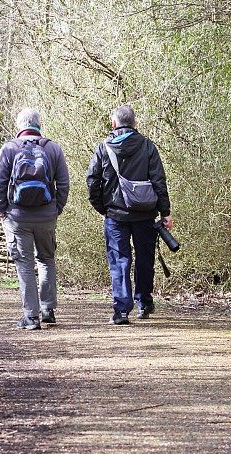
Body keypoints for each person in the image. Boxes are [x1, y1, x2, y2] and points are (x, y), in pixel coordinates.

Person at [86, 105, 173, 325]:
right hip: (145, 214)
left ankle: (122, 310)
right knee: (145, 259)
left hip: (115, 215)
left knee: (119, 260)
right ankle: (144, 303)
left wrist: (102, 207)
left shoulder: (103, 148)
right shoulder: (147, 146)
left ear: (114, 124)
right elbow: (159, 181)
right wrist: (165, 212)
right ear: (134, 124)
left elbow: (92, 182)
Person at [0, 108, 70, 330]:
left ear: (20, 126)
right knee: (46, 260)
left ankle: (31, 316)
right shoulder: (53, 148)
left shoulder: (9, 148)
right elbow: (64, 183)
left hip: (18, 217)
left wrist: (2, 210)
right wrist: (57, 208)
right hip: (47, 215)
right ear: (39, 124)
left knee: (25, 265)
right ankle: (48, 309)